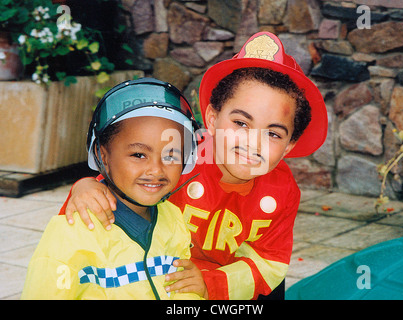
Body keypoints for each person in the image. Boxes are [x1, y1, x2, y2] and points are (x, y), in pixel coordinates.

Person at [60, 32, 328, 300]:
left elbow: (268, 263)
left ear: (289, 146)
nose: (253, 143)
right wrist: (87, 187)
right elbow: (123, 189)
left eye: (273, 134)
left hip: (225, 287)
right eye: (241, 123)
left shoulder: (283, 190)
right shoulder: (178, 159)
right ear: (212, 118)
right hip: (161, 280)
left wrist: (211, 284)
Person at [21, 78, 204, 300]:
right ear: (102, 156)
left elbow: (180, 290)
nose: (156, 170)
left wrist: (194, 290)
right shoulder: (72, 234)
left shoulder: (173, 219)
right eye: (139, 155)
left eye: (170, 155)